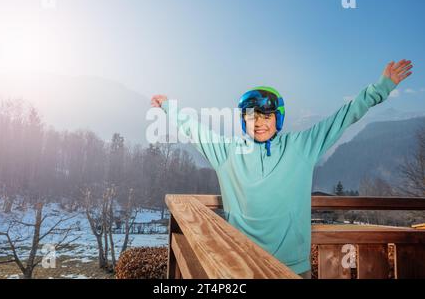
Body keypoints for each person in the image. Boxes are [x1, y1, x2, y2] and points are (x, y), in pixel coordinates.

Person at [150, 60, 413, 277]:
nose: (258, 123)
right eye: (251, 117)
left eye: (266, 116)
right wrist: (168, 107)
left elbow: (344, 117)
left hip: (292, 270)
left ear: (279, 119)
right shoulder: (227, 152)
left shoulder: (301, 147)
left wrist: (382, 86)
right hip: (240, 269)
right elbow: (194, 130)